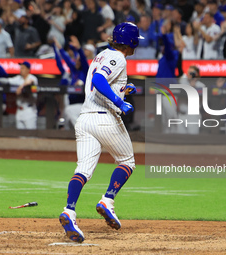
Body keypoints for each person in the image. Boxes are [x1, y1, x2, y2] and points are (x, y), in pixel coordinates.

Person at [58, 22, 143, 243]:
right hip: (104, 118)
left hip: (85, 119)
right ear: (131, 42)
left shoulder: (101, 55)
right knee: (127, 161)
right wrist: (119, 102)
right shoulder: (120, 57)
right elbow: (98, 81)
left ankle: (69, 211)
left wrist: (124, 89)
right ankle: (107, 200)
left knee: (83, 170)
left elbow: (104, 79)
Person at [53, 36, 89, 129]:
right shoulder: (74, 71)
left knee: (68, 111)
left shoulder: (85, 71)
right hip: (72, 103)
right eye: (76, 60)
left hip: (82, 103)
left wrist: (79, 49)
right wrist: (59, 48)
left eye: (78, 61)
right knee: (68, 119)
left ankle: (82, 130)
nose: (76, 62)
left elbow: (84, 60)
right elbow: (67, 59)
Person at [0, 61, 38, 129]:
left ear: (28, 70)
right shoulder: (18, 78)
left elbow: (29, 82)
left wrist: (21, 87)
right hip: (19, 110)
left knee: (31, 136)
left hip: (29, 110)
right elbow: (8, 80)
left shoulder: (33, 78)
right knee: (20, 136)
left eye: (23, 68)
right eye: (20, 68)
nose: (21, 70)